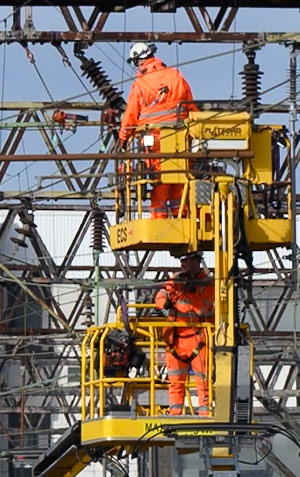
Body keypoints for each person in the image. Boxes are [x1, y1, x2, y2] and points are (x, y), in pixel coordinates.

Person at [119, 43, 199, 219]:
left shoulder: (141, 84)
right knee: (180, 180)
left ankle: (159, 221)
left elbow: (130, 116)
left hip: (154, 145)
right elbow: (192, 108)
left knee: (160, 184)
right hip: (181, 141)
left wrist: (123, 139)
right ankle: (182, 217)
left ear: (139, 61)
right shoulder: (176, 76)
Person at [155, 252, 214, 416]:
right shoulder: (175, 280)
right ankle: (175, 413)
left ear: (196, 262)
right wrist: (164, 303)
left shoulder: (207, 284)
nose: (182, 265)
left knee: (203, 382)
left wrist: (190, 291)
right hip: (175, 341)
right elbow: (160, 295)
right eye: (182, 261)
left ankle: (205, 414)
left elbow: (202, 308)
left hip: (198, 341)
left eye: (186, 261)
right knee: (175, 382)